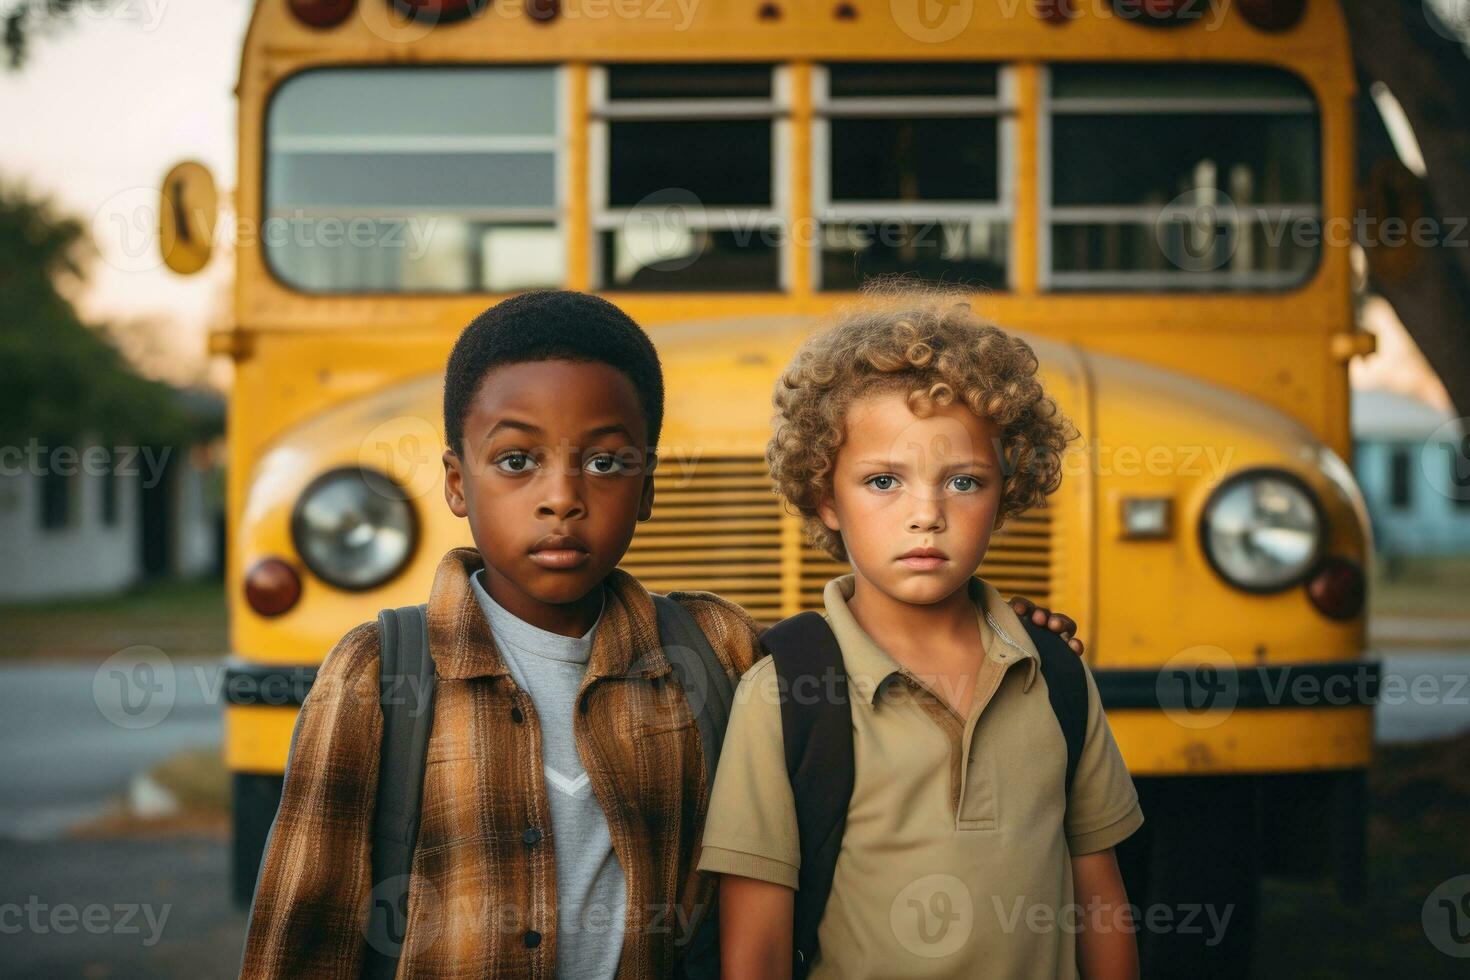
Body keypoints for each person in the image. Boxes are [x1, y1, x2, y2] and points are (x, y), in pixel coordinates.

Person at [239, 289, 1083, 979]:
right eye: (516, 460)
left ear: (647, 489)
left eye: (606, 463)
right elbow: (300, 938)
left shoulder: (713, 650)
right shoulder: (379, 675)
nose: (562, 496)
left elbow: (880, 641)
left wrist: (1005, 628)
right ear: (457, 483)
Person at [699, 288, 1144, 979]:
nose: (926, 514)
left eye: (963, 481)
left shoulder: (1054, 672)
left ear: (1006, 493)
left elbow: (1101, 901)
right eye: (883, 481)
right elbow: (754, 950)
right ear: (825, 495)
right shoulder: (783, 694)